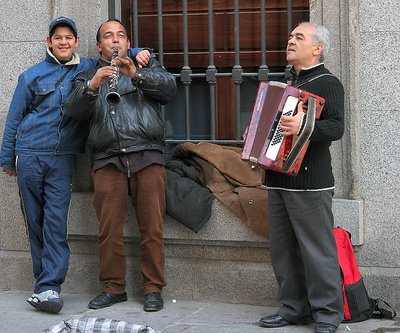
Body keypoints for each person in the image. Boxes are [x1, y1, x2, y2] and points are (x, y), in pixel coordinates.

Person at [0, 16, 149, 314]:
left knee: (55, 221)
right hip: (29, 154)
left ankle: (50, 288)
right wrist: (7, 158)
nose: (64, 42)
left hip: (62, 158)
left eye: (69, 37)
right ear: (49, 43)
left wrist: (140, 52)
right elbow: (14, 118)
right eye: (58, 38)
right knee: (35, 222)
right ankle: (41, 284)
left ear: (77, 42)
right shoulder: (31, 76)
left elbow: (115, 52)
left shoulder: (87, 67)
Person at [65, 19, 177, 312]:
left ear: (128, 43)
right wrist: (92, 86)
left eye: (121, 36)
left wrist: (137, 75)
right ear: (99, 45)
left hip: (147, 153)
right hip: (107, 157)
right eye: (108, 36)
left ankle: (153, 288)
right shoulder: (87, 74)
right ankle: (113, 288)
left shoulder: (147, 65)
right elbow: (74, 111)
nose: (115, 41)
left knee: (152, 227)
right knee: (109, 230)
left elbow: (169, 90)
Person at [258, 22, 345, 333]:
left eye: (299, 37)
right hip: (278, 179)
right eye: (291, 35)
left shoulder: (327, 83)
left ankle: (327, 315)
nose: (290, 40)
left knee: (316, 250)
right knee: (283, 252)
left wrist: (304, 129)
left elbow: (336, 127)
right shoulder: (287, 81)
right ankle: (293, 309)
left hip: (311, 181)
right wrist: (256, 133)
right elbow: (273, 126)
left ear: (317, 48)